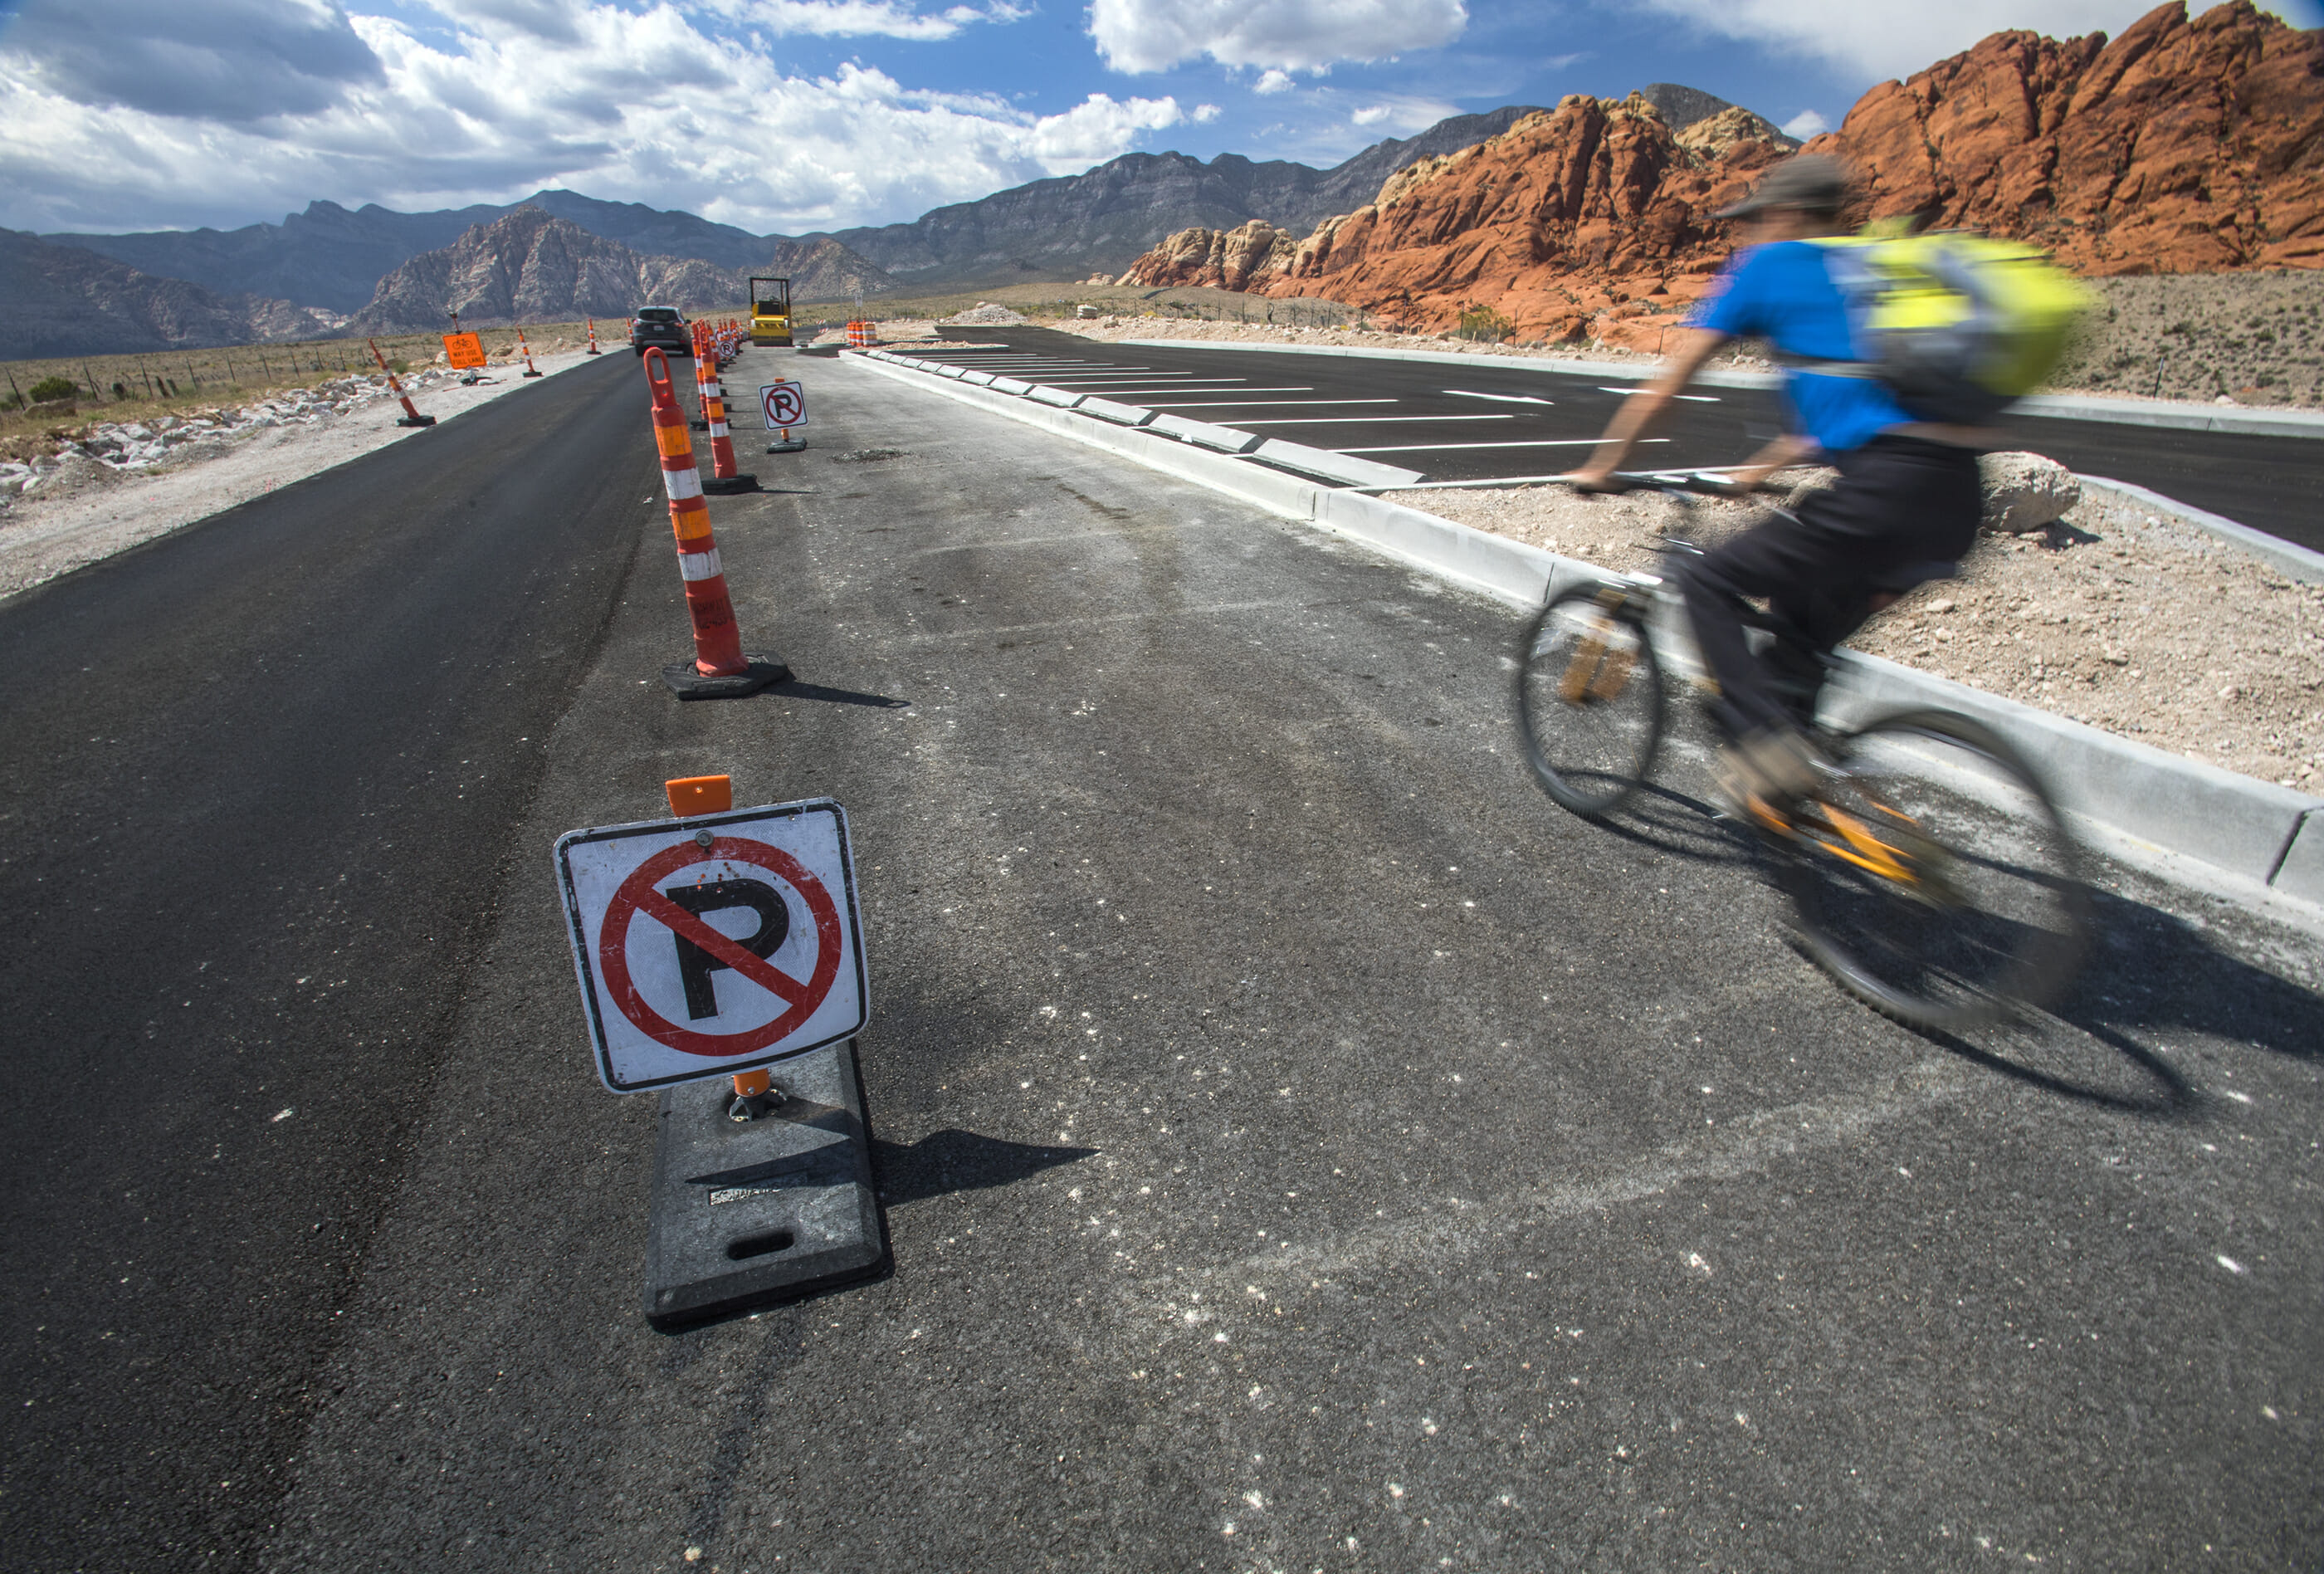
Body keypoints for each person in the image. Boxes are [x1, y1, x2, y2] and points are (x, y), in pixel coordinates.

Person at [1565, 154, 1990, 826]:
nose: (1747, 236)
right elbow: (1856, 400)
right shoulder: (1878, 271)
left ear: (1786, 215)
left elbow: (1670, 381)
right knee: (1798, 627)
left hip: (1881, 492)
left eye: (1755, 220)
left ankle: (1767, 754)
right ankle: (1789, 792)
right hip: (1956, 497)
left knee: (1707, 583)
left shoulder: (1770, 266)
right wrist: (1756, 474)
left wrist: (1603, 463)